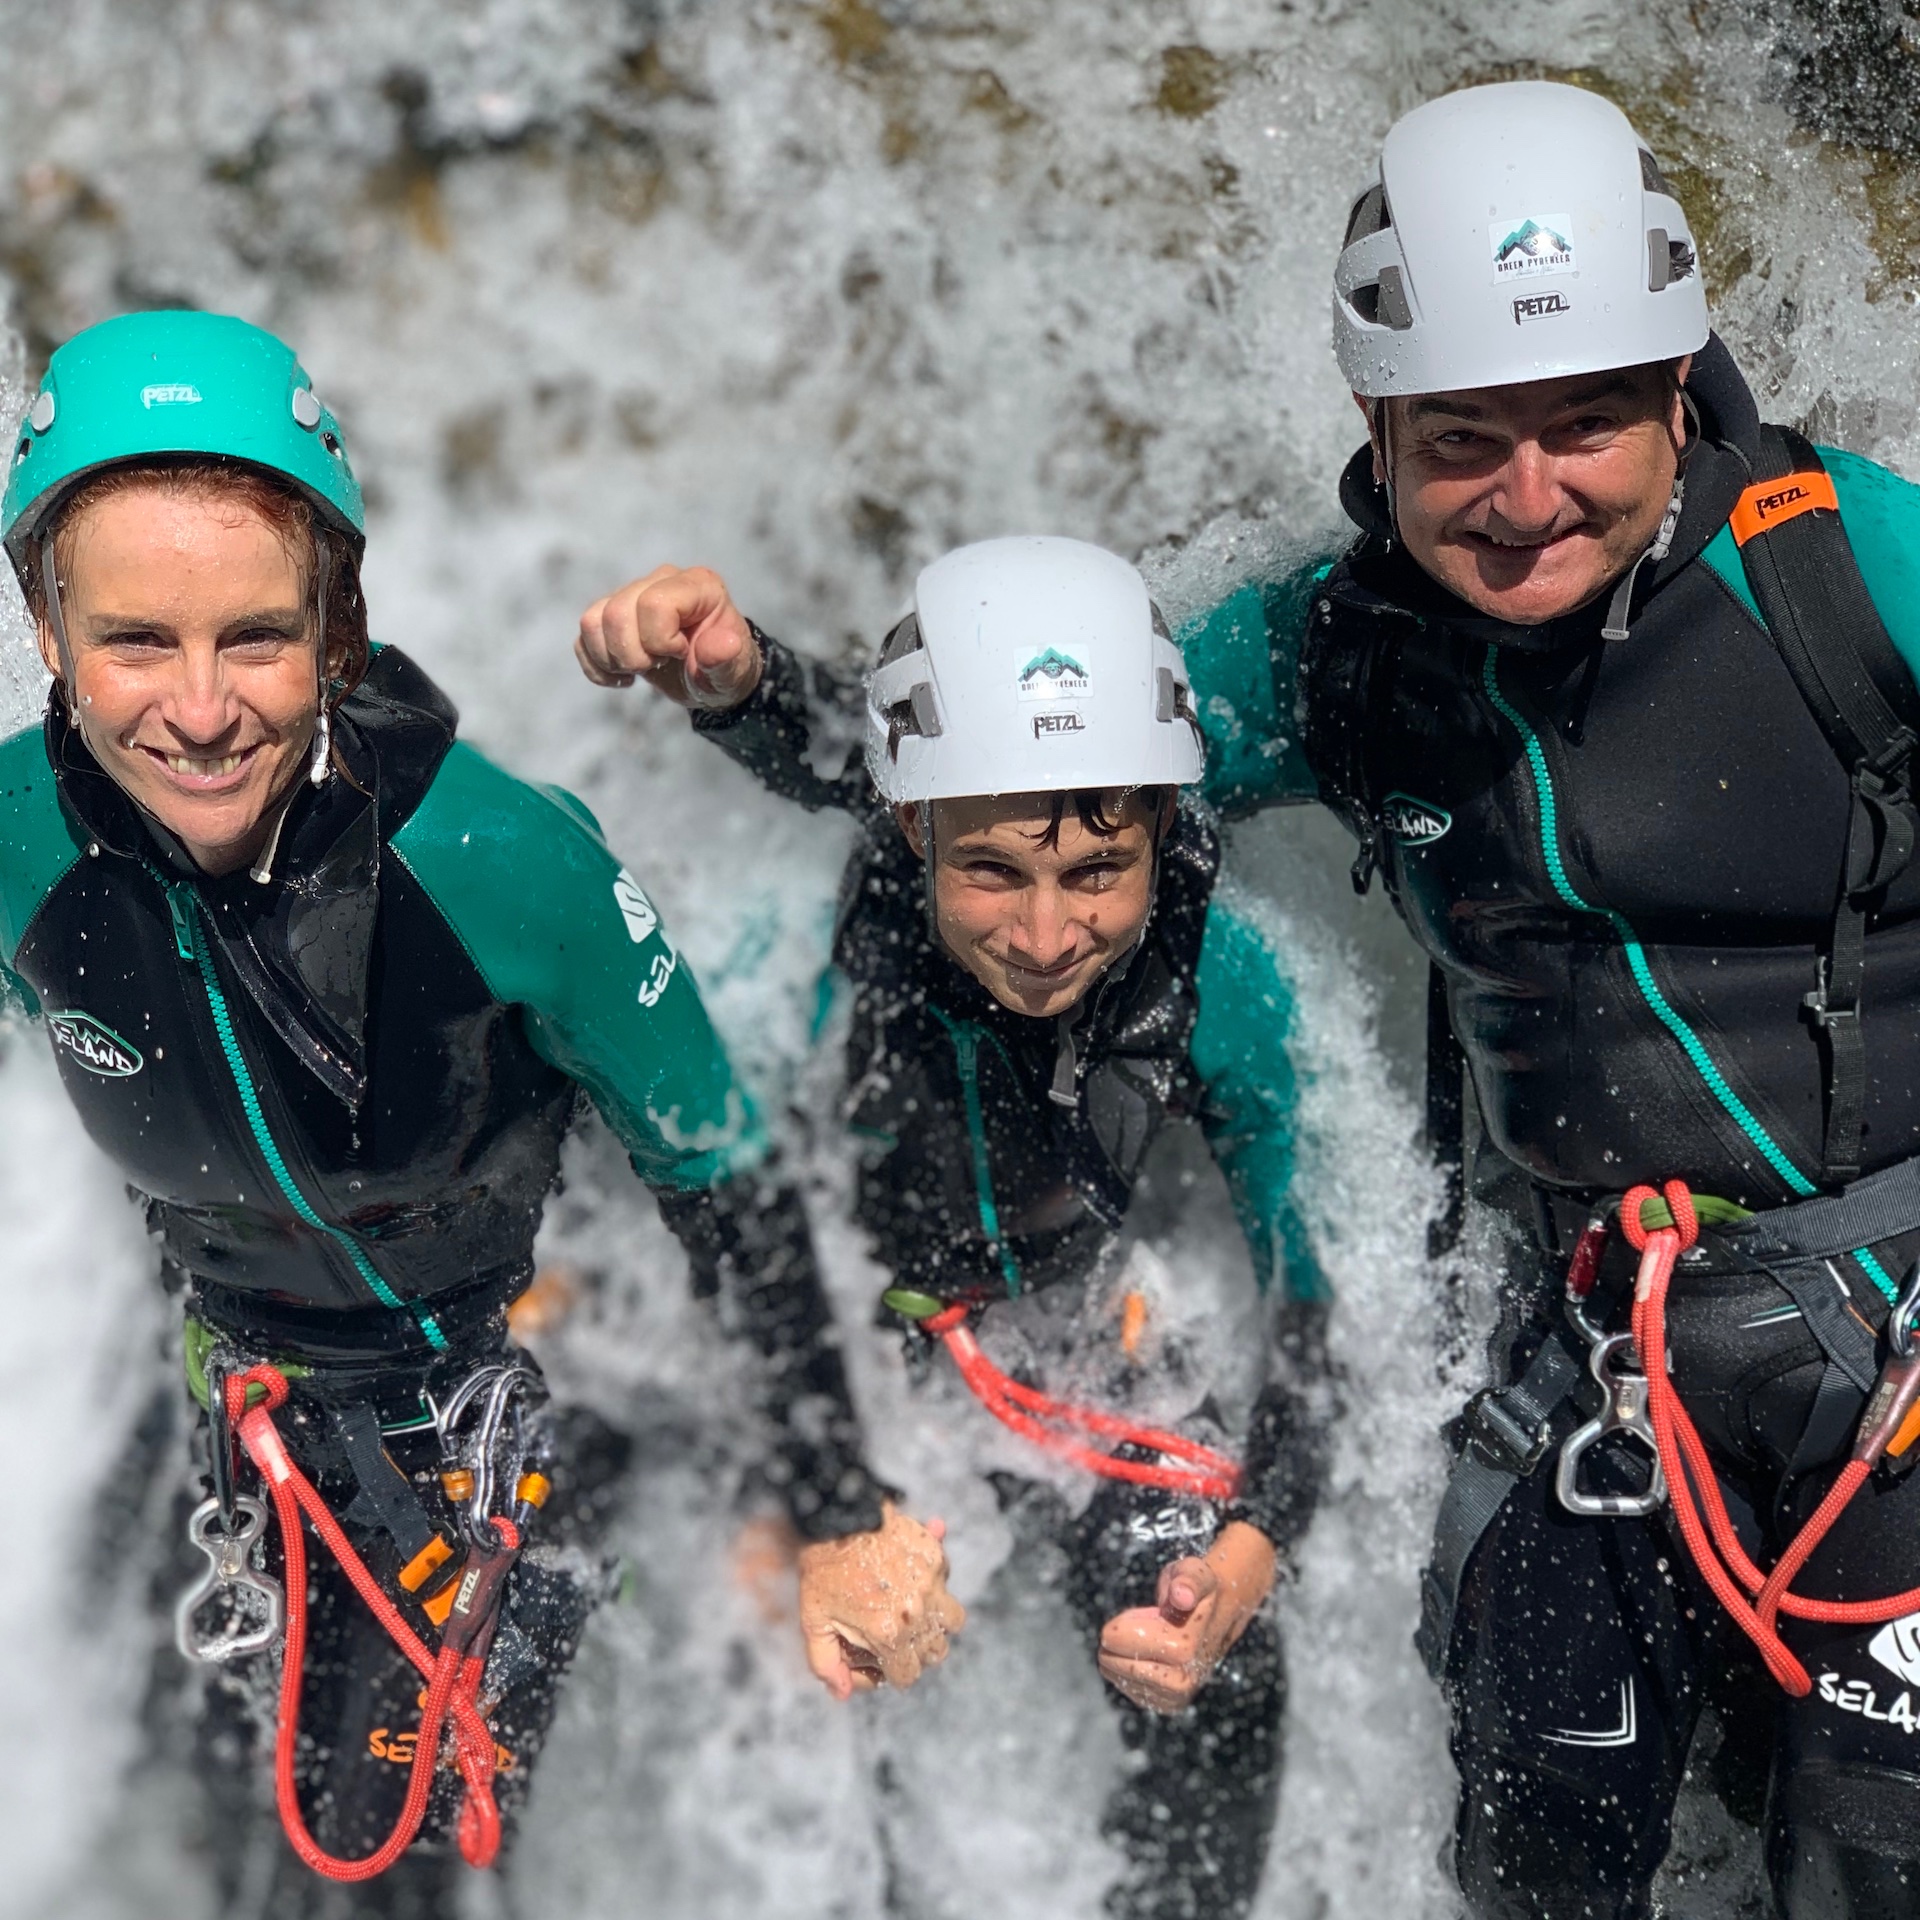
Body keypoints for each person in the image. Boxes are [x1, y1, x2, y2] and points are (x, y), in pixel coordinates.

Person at [0, 309, 956, 1909]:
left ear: (339, 625)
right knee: (228, 1835)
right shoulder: (17, 841)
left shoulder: (501, 863)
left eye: (257, 637)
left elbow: (722, 1180)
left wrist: (840, 1515)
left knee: (377, 1878)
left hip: (499, 1417)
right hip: (233, 1406)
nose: (201, 710)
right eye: (136, 642)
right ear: (45, 626)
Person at [1145, 77, 1920, 1920]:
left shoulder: (1851, 566)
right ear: (1376, 423)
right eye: (1462, 440)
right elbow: (1028, 783)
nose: (1526, 497)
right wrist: (754, 684)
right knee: (1534, 1866)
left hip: (1893, 1337)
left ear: (1675, 389)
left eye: (1585, 424)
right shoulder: (1332, 657)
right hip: (1588, 1360)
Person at [575, 532, 1329, 1920]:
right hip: (847, 1332)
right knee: (793, 1658)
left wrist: (1248, 1550)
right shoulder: (850, 913)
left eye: (1097, 870)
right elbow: (828, 739)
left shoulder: (1222, 981)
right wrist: (733, 675)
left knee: (1220, 1666)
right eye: (993, 872)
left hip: (1075, 1333)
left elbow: (1306, 1301)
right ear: (912, 830)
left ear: (1163, 828)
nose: (1045, 936)